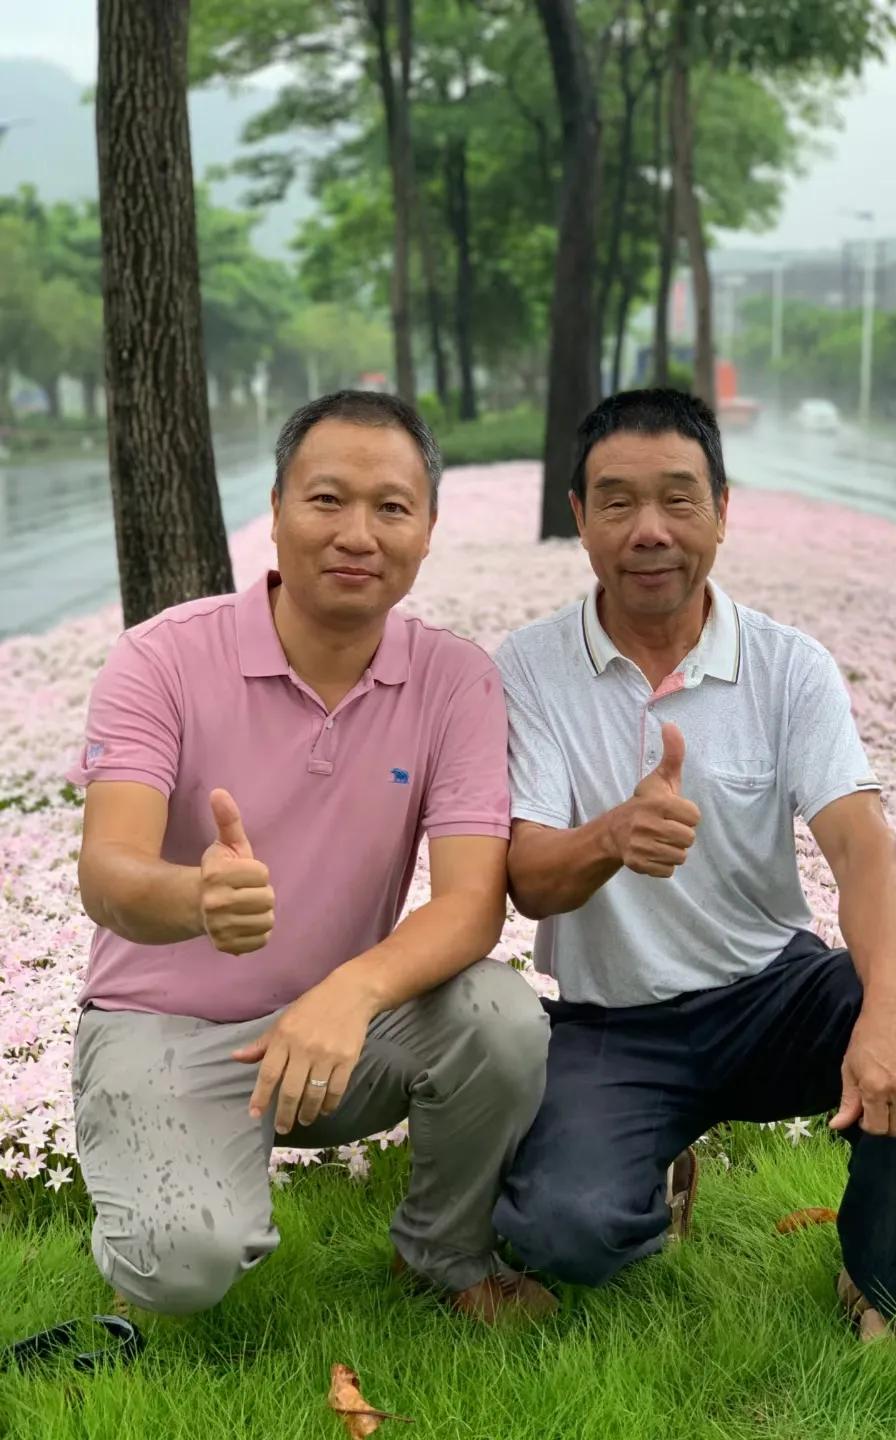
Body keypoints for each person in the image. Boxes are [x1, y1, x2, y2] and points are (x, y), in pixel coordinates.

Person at [66, 390, 555, 1324]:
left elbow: (469, 906)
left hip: (339, 1035)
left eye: (391, 508)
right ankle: (167, 1175)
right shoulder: (161, 660)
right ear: (279, 509)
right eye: (327, 500)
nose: (357, 534)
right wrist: (195, 896)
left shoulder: (454, 679)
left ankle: (445, 1257)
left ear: (427, 529)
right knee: (183, 1268)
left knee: (499, 1015)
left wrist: (352, 992)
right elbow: (109, 873)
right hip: (165, 1025)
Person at [491, 388, 896, 1339]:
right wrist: (611, 838)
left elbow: (862, 849)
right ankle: (650, 1169)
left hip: (766, 998)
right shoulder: (529, 668)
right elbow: (529, 878)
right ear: (580, 518)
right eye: (617, 503)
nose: (650, 531)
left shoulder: (788, 666)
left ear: (722, 510)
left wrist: (890, 1011)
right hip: (609, 1025)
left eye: (679, 498)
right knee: (566, 1235)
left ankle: (879, 1277)